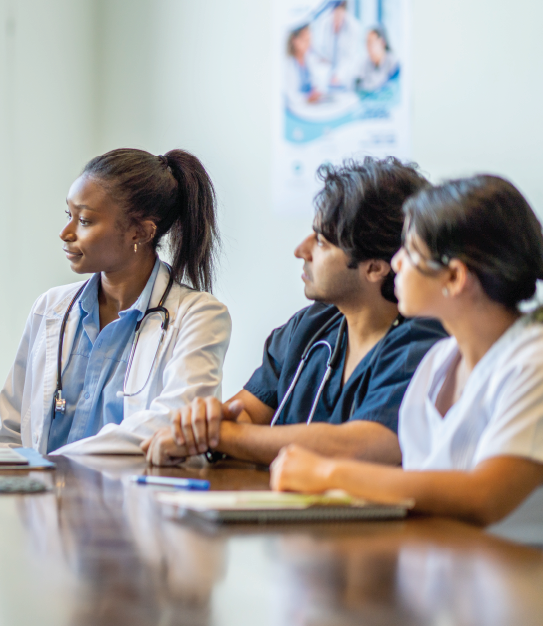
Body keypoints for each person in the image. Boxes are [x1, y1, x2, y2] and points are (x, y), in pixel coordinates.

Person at [272, 175, 543, 542]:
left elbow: (484, 497)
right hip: (443, 573)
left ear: (455, 276)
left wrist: (328, 474)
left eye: (411, 252)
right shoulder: (438, 362)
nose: (396, 262)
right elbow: (416, 488)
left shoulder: (532, 361)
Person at [143, 157, 446, 467]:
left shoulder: (423, 343)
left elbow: (367, 444)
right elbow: (248, 412)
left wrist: (220, 437)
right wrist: (207, 423)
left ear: (374, 268)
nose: (301, 250)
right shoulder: (312, 324)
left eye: (322, 241)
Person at [0, 148, 231, 454]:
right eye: (68, 216)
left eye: (84, 220)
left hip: (134, 499)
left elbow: (173, 425)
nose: (65, 233)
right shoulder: (50, 308)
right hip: (44, 499)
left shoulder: (200, 317)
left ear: (140, 231)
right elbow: (14, 431)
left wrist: (52, 465)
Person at [355, 26, 400, 94]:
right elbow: (358, 85)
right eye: (367, 42)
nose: (368, 46)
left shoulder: (393, 64)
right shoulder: (365, 63)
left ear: (382, 43)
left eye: (371, 42)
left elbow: (391, 90)